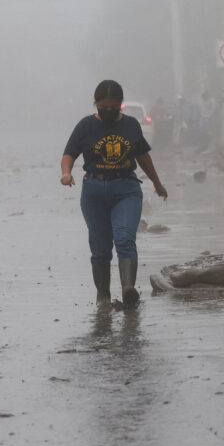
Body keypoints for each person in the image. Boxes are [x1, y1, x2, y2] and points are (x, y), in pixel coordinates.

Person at [61, 80, 168, 308]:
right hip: (94, 191)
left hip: (126, 189)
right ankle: (103, 296)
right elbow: (69, 153)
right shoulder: (85, 126)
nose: (108, 111)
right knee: (100, 247)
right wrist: (66, 173)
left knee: (124, 238)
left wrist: (157, 183)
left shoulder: (131, 125)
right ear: (96, 104)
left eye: (113, 107)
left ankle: (128, 289)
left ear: (121, 105)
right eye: (103, 107)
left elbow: (143, 157)